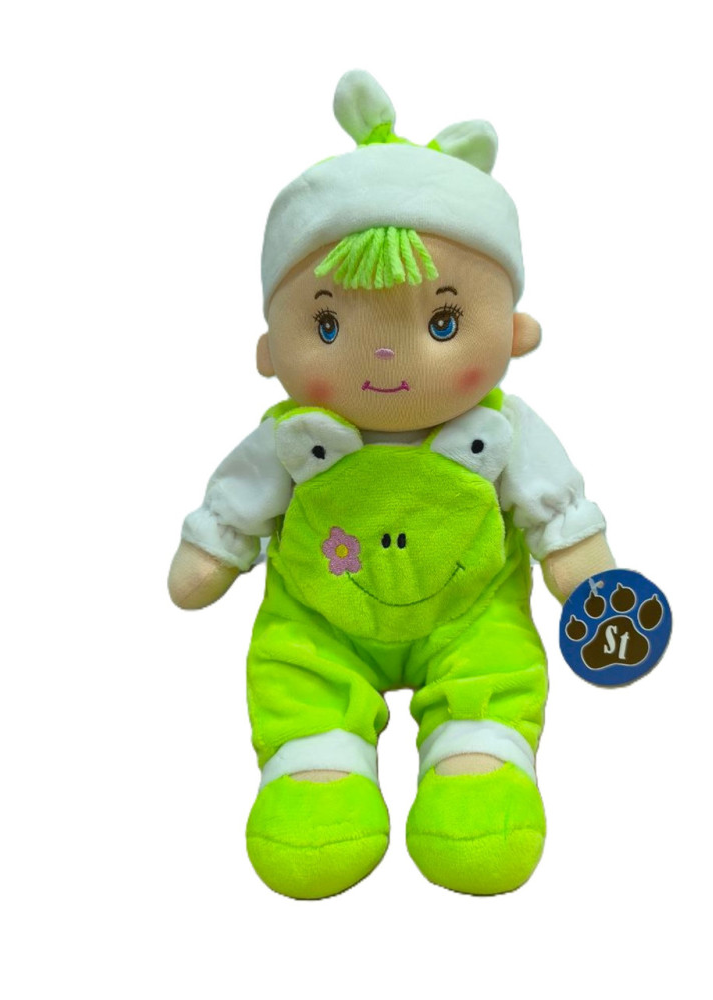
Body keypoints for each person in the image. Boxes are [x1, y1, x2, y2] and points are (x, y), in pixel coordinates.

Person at [168, 70, 615, 898]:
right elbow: (237, 504)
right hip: (322, 617)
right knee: (295, 668)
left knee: (495, 666)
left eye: (444, 321)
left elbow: (556, 514)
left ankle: (478, 758)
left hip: (468, 614)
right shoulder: (291, 437)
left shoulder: (505, 430)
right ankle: (315, 764)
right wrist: (214, 551)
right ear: (269, 348)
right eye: (326, 323)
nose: (384, 355)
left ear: (515, 332)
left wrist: (584, 574)